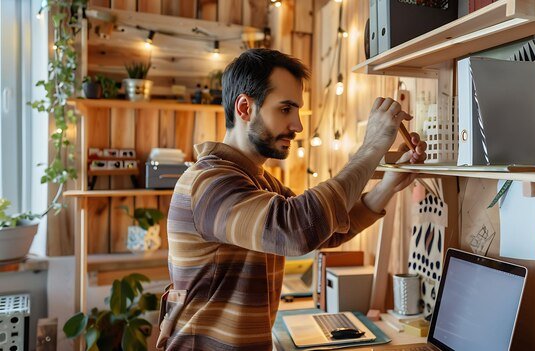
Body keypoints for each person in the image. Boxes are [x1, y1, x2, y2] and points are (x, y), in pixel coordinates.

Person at [158, 48, 427, 350]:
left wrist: (387, 187)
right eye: (286, 109)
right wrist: (372, 147)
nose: (298, 125)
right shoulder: (208, 183)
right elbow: (297, 229)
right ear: (245, 107)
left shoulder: (258, 181)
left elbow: (324, 230)